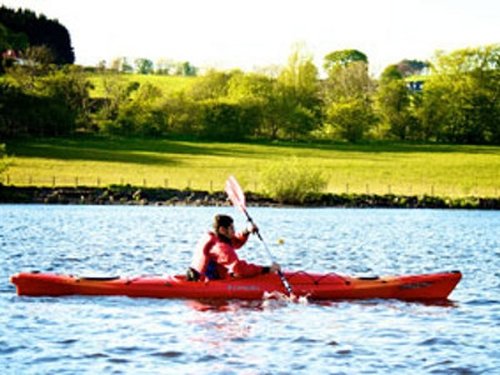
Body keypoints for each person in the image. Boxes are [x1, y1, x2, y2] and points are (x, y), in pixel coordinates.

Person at [187, 214, 280, 281]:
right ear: (222, 230)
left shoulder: (213, 238)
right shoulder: (220, 248)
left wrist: (247, 231)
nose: (234, 231)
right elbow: (239, 269)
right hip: (208, 282)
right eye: (231, 228)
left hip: (197, 277)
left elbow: (235, 241)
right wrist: (266, 269)